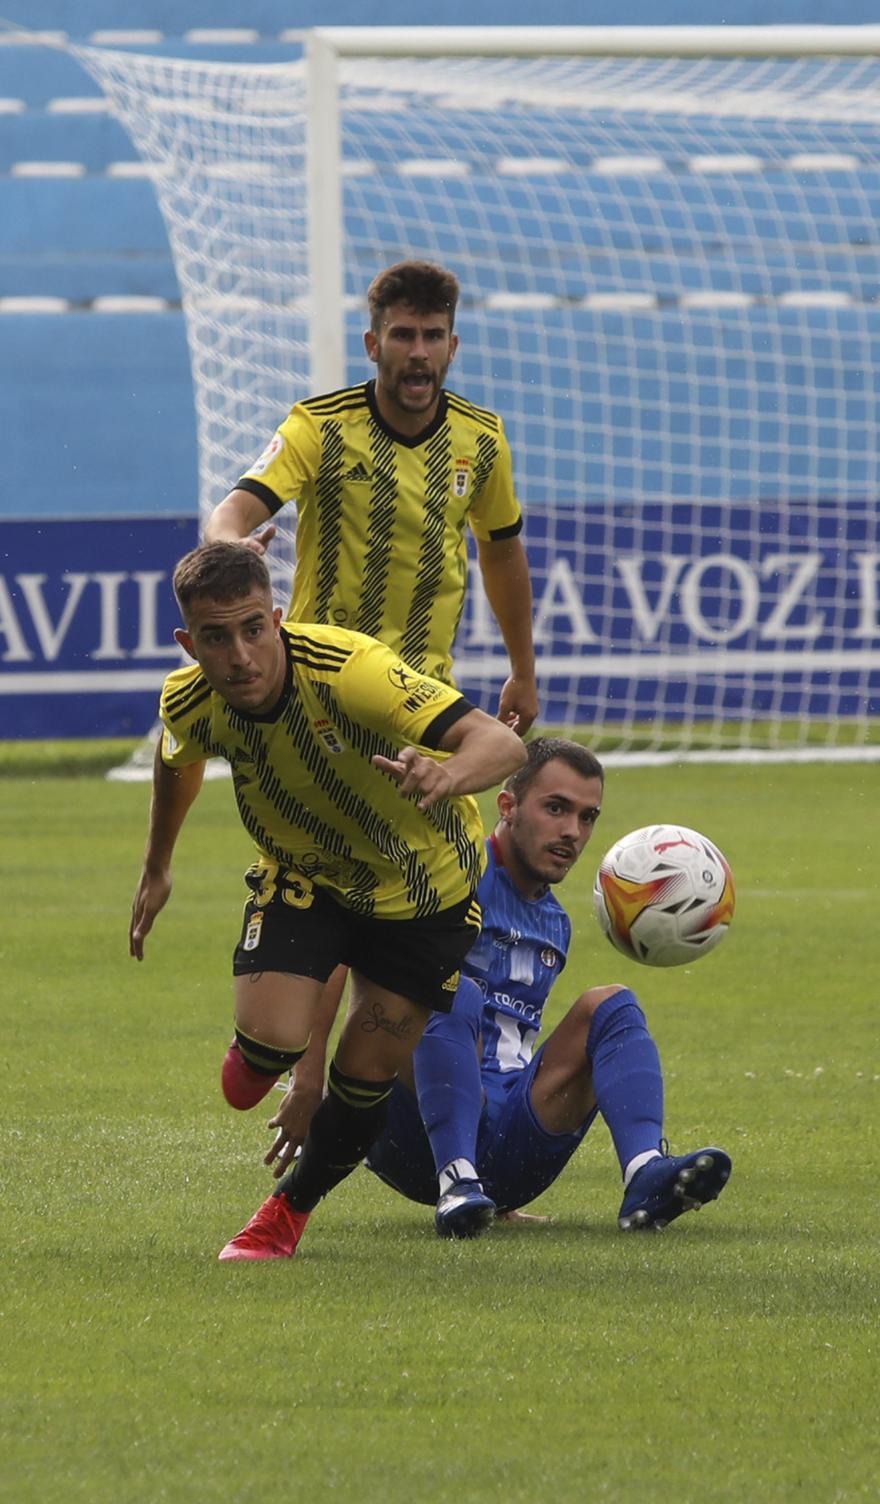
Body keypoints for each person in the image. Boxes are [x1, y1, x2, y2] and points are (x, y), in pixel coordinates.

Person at [128, 542, 526, 1262]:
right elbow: (176, 754)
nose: (240, 655)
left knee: (365, 1072)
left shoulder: (351, 671)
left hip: (423, 891)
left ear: (276, 619)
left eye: (253, 629)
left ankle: (285, 1214)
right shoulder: (188, 698)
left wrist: (446, 773)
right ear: (190, 643)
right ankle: (260, 1050)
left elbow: (500, 744)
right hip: (303, 876)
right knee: (260, 1063)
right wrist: (157, 866)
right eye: (216, 638)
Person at [357, 736, 732, 1238]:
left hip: (512, 1150)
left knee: (613, 1004)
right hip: (410, 1135)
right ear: (507, 806)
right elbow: (353, 954)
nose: (572, 832)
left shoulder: (555, 922)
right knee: (454, 989)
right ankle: (456, 1179)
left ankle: (646, 1172)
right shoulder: (451, 875)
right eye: (556, 808)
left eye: (587, 816)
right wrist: (316, 1085)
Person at [204, 257, 538, 736]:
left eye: (433, 336)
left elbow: (502, 552)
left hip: (424, 694)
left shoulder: (482, 440)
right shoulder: (320, 427)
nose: (419, 352)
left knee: (452, 806)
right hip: (318, 685)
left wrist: (523, 672)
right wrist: (229, 545)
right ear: (373, 344)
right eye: (403, 335)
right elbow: (232, 511)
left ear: (453, 347)